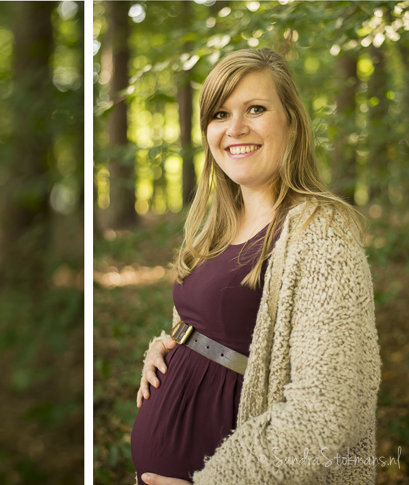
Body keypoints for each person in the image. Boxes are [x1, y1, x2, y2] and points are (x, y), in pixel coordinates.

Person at [130, 48, 380, 485]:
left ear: (292, 123)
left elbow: (327, 410)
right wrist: (170, 348)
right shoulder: (213, 229)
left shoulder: (320, 232)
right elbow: (216, 329)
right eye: (220, 114)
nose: (235, 128)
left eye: (256, 109)